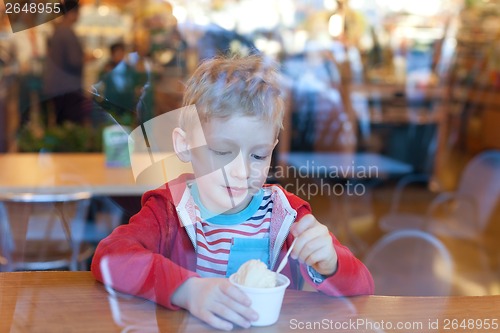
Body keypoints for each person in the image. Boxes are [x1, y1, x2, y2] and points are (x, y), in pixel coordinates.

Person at [91, 55, 373, 331]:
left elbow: (363, 287)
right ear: (185, 145)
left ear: (272, 147)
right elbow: (109, 258)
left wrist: (330, 264)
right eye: (223, 152)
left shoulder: (286, 215)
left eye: (259, 156)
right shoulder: (168, 210)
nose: (241, 171)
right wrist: (185, 289)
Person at [42, 0, 88, 125]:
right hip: (67, 87)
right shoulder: (66, 32)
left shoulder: (58, 30)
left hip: (57, 86)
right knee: (71, 126)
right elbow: (74, 61)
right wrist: (88, 58)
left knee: (60, 124)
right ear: (72, 13)